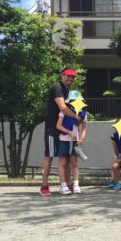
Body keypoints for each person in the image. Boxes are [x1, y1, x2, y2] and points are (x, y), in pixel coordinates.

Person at [40, 67, 82, 196]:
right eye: (68, 76)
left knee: (67, 158)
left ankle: (67, 184)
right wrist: (77, 117)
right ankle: (44, 185)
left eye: (73, 76)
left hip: (65, 131)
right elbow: (63, 107)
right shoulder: (57, 87)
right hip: (53, 129)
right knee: (49, 156)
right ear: (62, 75)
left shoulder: (69, 91)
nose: (70, 78)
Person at [55, 91, 87, 194]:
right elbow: (58, 126)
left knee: (74, 163)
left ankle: (76, 185)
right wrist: (69, 132)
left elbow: (84, 128)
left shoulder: (83, 113)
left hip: (74, 141)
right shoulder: (64, 111)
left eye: (78, 100)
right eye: (73, 100)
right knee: (62, 163)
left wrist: (81, 138)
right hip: (63, 139)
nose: (76, 102)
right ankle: (63, 186)